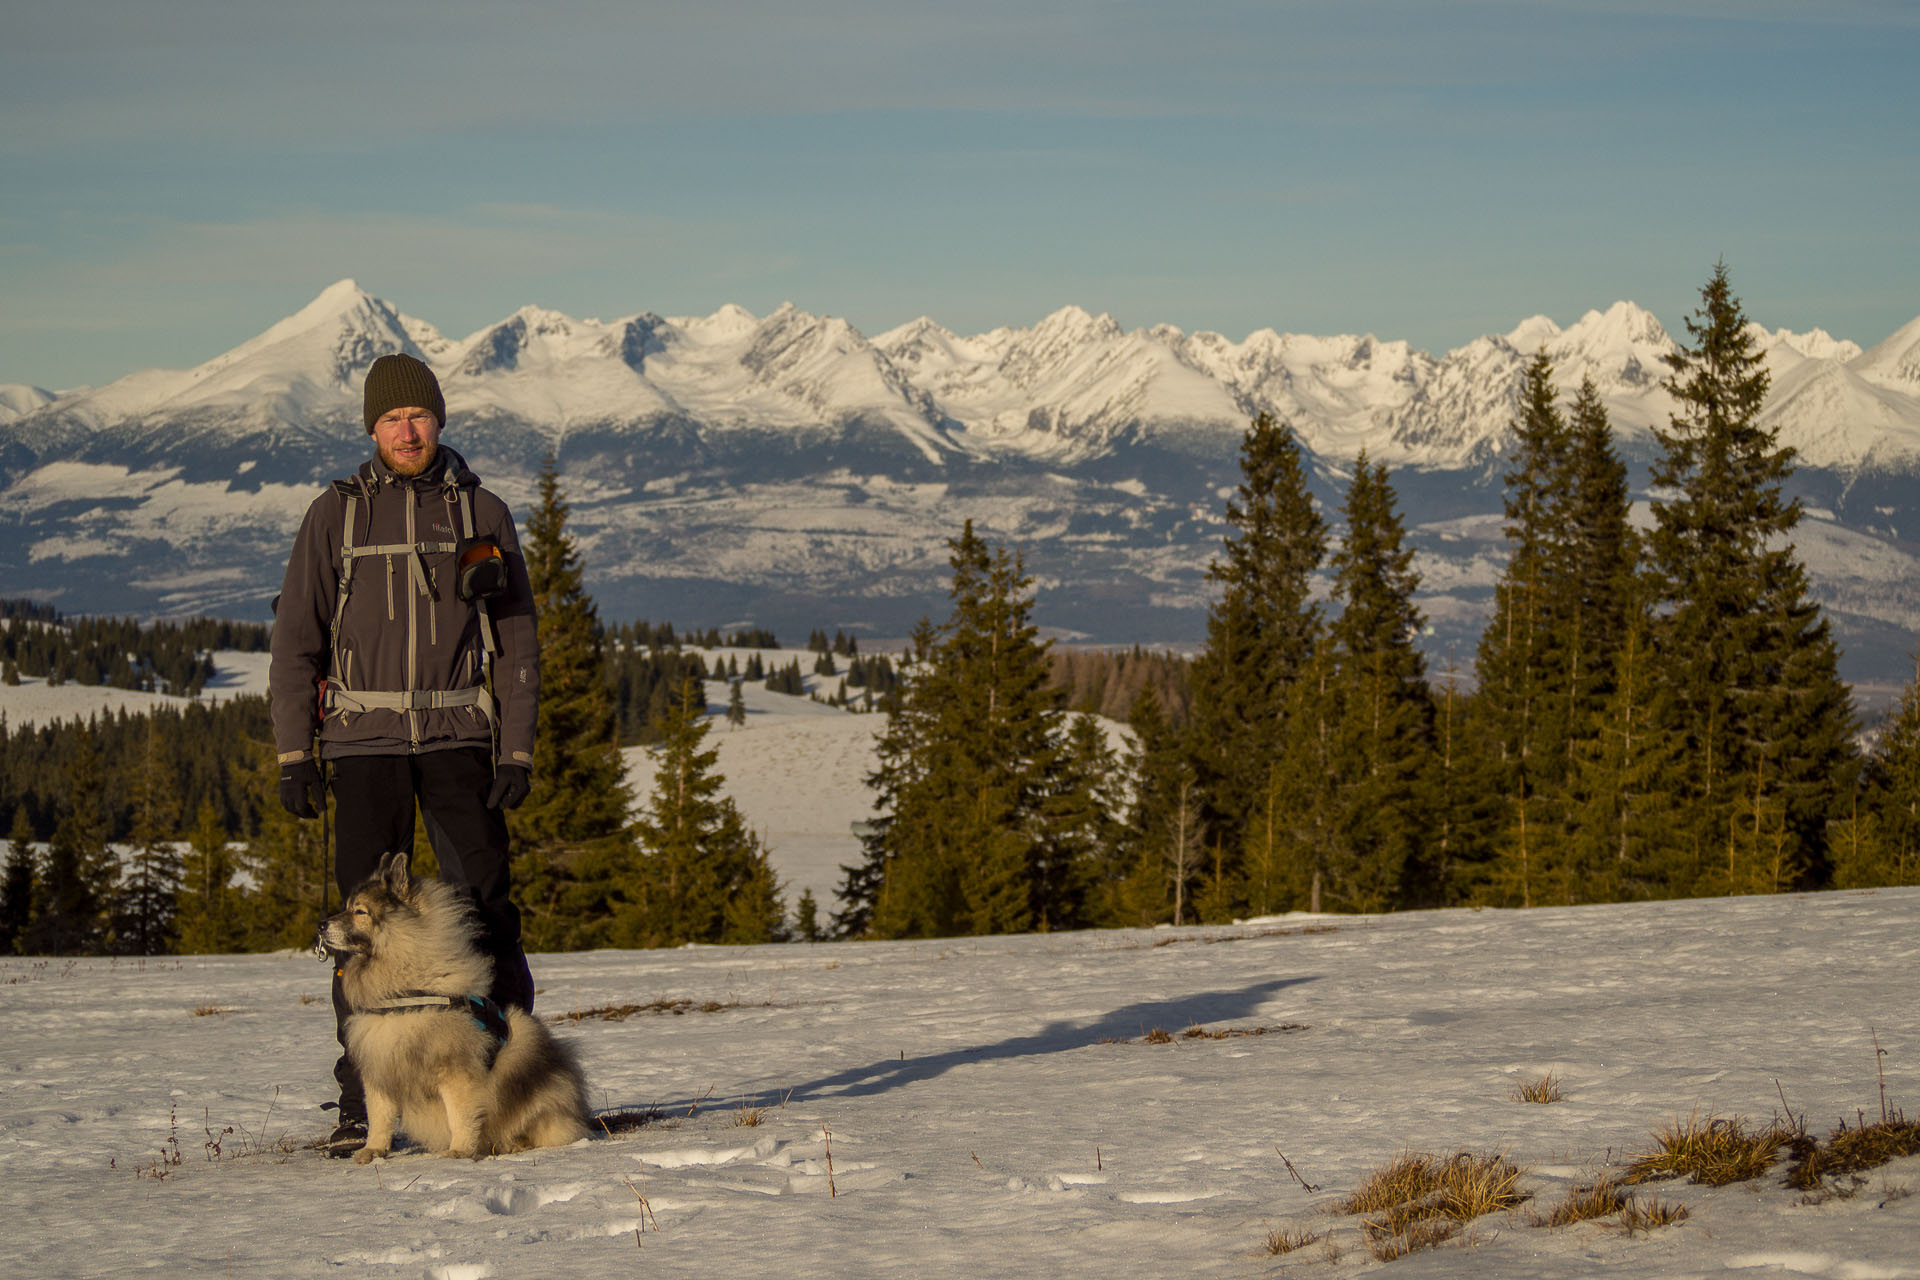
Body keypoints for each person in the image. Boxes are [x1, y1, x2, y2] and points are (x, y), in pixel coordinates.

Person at [268, 352, 541, 1155]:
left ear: (439, 420)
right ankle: (365, 1101)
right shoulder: (336, 516)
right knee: (359, 935)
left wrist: (514, 752)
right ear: (372, 429)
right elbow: (295, 645)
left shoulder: (481, 511)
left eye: (418, 417)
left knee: (487, 913)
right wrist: (295, 756)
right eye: (391, 420)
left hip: (461, 742)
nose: (407, 431)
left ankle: (508, 1085)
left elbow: (517, 643)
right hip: (364, 748)